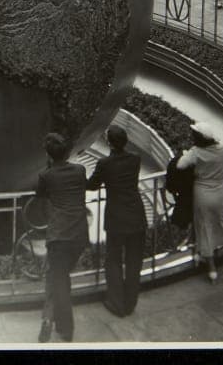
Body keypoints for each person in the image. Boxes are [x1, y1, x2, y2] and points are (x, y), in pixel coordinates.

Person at [85, 126, 146, 317]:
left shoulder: (105, 163)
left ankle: (117, 304)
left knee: (113, 260)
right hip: (136, 214)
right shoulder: (135, 159)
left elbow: (92, 185)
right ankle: (130, 303)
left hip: (117, 217)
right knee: (134, 261)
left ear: (109, 143)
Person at [33, 132, 89, 342]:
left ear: (48, 155)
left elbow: (41, 195)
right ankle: (48, 318)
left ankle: (64, 327)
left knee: (59, 280)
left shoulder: (46, 176)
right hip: (79, 234)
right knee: (56, 275)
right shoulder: (80, 170)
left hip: (59, 235)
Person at [176, 121, 223, 282]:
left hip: (203, 192)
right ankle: (218, 252)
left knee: (204, 226)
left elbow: (180, 165)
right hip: (219, 190)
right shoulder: (222, 150)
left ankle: (211, 266)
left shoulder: (196, 152)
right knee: (218, 221)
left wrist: (187, 153)